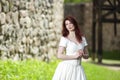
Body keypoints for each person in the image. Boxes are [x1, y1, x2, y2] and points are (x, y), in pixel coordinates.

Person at [52, 16, 89, 80]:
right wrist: (74, 56)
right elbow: (59, 55)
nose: (69, 25)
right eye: (66, 24)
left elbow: (87, 55)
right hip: (67, 68)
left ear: (74, 23)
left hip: (78, 69)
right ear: (65, 26)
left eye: (70, 23)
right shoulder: (64, 38)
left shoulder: (82, 38)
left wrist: (83, 55)